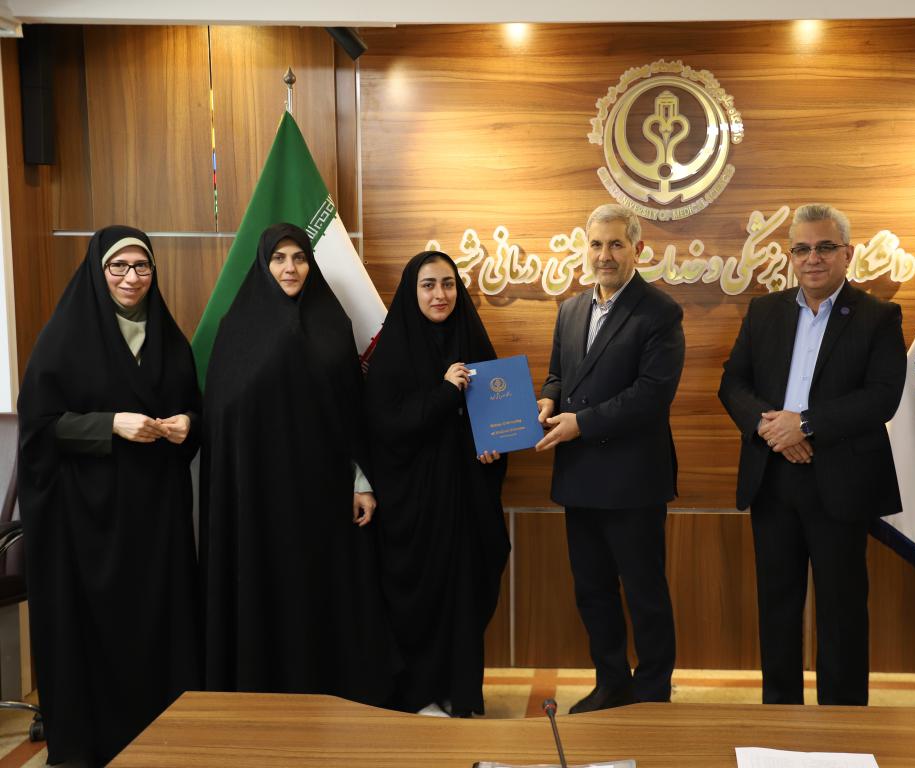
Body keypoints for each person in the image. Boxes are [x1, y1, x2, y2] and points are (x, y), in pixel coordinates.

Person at [17, 226, 201, 767]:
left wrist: (188, 424)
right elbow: (39, 427)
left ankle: (165, 738)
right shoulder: (64, 337)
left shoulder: (169, 338)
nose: (131, 278)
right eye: (118, 267)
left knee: (159, 625)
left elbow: (196, 407)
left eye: (141, 267)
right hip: (89, 519)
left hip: (157, 514)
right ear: (98, 273)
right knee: (98, 632)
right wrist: (110, 424)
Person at [200, 222, 397, 707]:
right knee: (266, 594)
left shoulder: (333, 324)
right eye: (279, 258)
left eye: (299, 258)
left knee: (320, 595)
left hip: (321, 495)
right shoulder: (236, 328)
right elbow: (222, 415)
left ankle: (328, 697)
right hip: (258, 498)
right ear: (263, 264)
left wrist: (361, 482)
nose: (290, 268)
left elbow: (352, 414)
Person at [718, 203, 905, 706]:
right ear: (791, 256)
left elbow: (882, 396)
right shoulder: (765, 311)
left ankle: (844, 723)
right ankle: (779, 716)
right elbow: (732, 383)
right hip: (773, 478)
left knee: (842, 611)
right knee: (776, 606)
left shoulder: (877, 316)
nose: (812, 258)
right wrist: (772, 428)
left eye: (824, 247)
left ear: (847, 253)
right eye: (801, 249)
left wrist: (805, 424)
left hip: (840, 482)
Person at [536, 203, 684, 713]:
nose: (604, 255)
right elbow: (558, 375)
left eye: (616, 244)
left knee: (644, 593)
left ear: (637, 249)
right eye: (597, 244)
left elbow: (651, 395)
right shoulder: (571, 309)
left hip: (633, 480)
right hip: (579, 476)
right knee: (593, 590)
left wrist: (582, 422)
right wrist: (548, 400)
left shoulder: (660, 312)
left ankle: (652, 692)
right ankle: (611, 683)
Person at [365, 251, 509, 718]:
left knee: (465, 595)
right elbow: (388, 425)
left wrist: (493, 448)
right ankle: (419, 692)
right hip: (414, 506)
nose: (440, 295)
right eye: (428, 285)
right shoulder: (393, 351)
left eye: (448, 284)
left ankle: (457, 691)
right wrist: (446, 391)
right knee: (419, 600)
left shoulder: (473, 339)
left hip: (467, 502)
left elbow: (497, 419)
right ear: (412, 292)